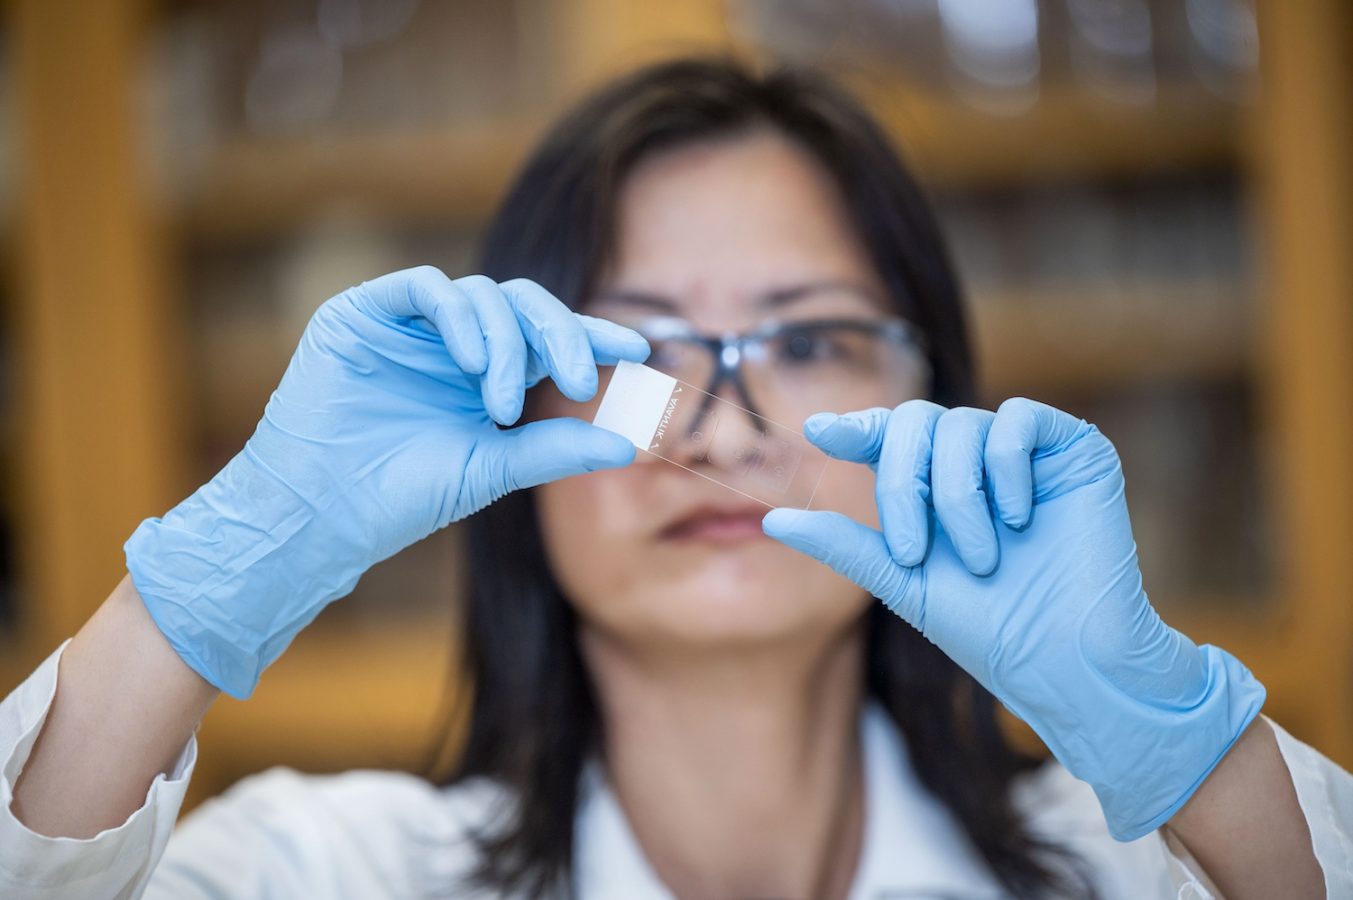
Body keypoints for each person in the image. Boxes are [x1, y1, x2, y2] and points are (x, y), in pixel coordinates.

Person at [1, 58, 1349, 900]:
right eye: (636, 349)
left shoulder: (1143, 875)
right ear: (506, 419)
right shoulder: (329, 872)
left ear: (932, 397)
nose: (716, 428)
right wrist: (213, 573)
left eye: (811, 337)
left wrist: (1189, 747)